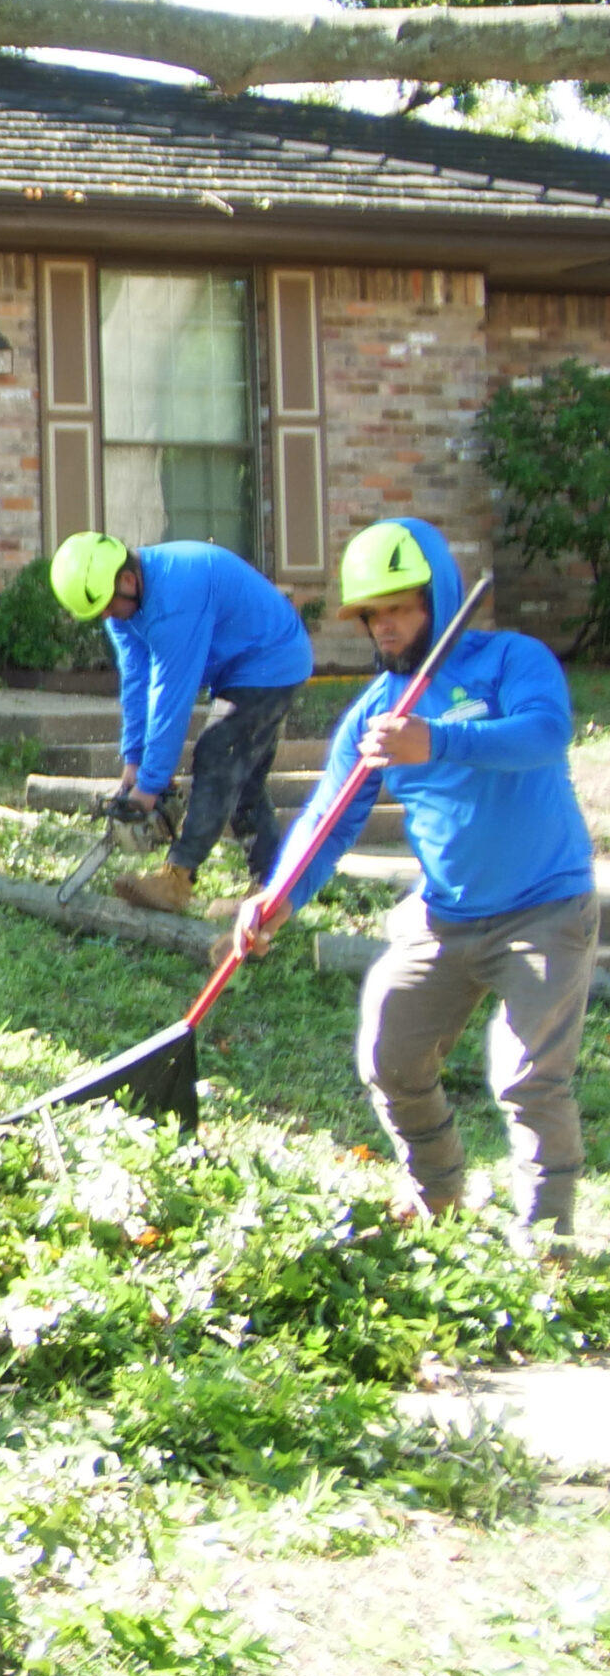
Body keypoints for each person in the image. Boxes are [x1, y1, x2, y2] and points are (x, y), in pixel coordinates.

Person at [234, 519, 597, 1237]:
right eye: (373, 615)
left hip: (545, 908)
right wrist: (278, 898)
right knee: (389, 1056)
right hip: (444, 916)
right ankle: (438, 1197)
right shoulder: (376, 712)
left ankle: (547, 1238)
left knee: (527, 1078)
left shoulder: (510, 661)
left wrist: (438, 740)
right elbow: (329, 820)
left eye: (399, 609)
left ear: (440, 597)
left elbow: (547, 732)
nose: (385, 628)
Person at [49, 530, 313, 916]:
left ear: (127, 579)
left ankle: (178, 878)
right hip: (240, 665)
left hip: (272, 659)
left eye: (108, 606)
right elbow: (137, 680)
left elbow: (172, 693)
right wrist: (133, 762)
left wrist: (151, 787)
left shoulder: (175, 598)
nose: (106, 616)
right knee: (243, 784)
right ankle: (273, 890)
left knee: (217, 754)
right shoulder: (122, 603)